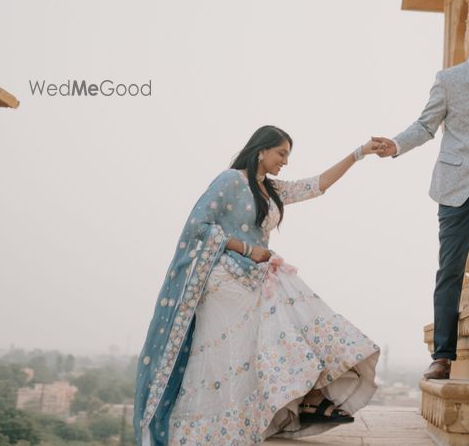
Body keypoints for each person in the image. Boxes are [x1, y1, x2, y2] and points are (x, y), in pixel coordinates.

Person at [133, 126, 382, 446]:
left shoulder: (271, 190)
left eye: (288, 155)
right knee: (230, 361)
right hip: (225, 281)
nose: (286, 161)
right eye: (281, 153)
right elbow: (199, 226)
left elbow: (317, 185)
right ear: (260, 151)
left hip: (259, 277)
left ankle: (308, 400)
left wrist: (359, 153)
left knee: (298, 321)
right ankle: (207, 433)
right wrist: (248, 250)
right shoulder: (230, 181)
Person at [372, 20, 469, 381]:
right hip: (456, 181)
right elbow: (426, 126)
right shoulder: (448, 80)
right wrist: (396, 145)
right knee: (451, 268)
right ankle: (442, 356)